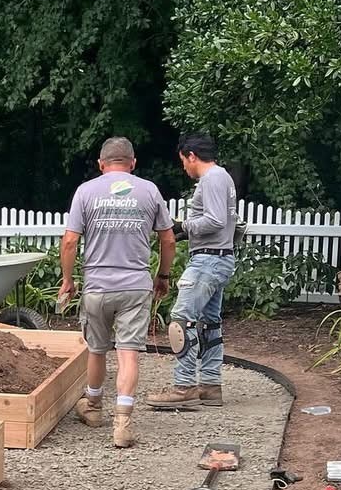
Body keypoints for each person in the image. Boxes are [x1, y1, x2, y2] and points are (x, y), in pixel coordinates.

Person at [58, 137, 175, 449]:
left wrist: (68, 280)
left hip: (97, 286)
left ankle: (93, 408)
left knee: (96, 349)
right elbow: (168, 240)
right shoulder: (149, 190)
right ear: (133, 163)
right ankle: (122, 422)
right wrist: (162, 275)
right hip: (135, 286)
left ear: (101, 164)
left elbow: (70, 241)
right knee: (128, 353)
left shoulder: (86, 191)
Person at [149, 133, 239, 411]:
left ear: (191, 156)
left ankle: (184, 386)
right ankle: (211, 386)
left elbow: (214, 220)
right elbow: (222, 223)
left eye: (183, 162)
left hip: (207, 262)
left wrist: (183, 227)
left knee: (181, 320)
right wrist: (187, 234)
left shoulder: (211, 179)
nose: (183, 168)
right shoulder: (223, 177)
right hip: (219, 257)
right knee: (210, 323)